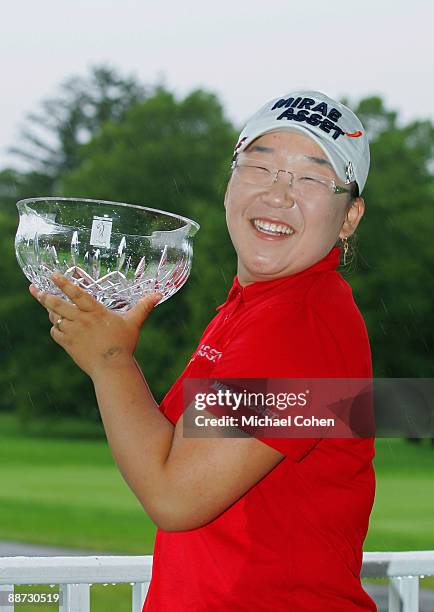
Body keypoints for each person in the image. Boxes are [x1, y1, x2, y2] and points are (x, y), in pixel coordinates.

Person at [29, 90, 377, 611]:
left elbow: (176, 498)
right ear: (230, 183)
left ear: (348, 217)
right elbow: (174, 453)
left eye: (310, 177)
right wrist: (105, 348)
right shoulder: (255, 308)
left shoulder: (301, 324)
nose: (279, 195)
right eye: (260, 167)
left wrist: (109, 362)